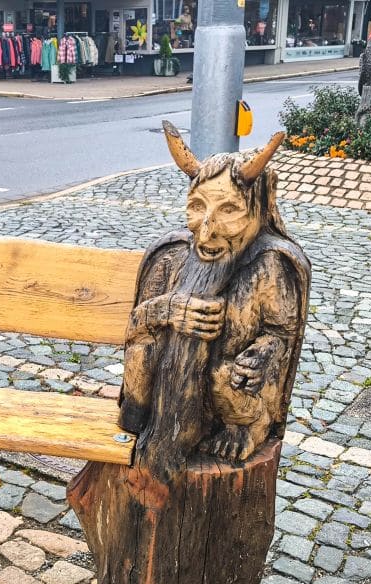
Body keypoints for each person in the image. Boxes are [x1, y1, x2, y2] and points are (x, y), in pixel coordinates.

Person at [119, 124, 310, 477]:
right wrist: (169, 309)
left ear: (258, 210)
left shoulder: (269, 264)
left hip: (225, 389)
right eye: (197, 207)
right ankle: (141, 420)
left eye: (229, 211)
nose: (206, 231)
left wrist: (260, 356)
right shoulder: (171, 255)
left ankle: (246, 427)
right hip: (163, 387)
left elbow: (282, 334)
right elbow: (136, 326)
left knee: (225, 379)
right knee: (140, 357)